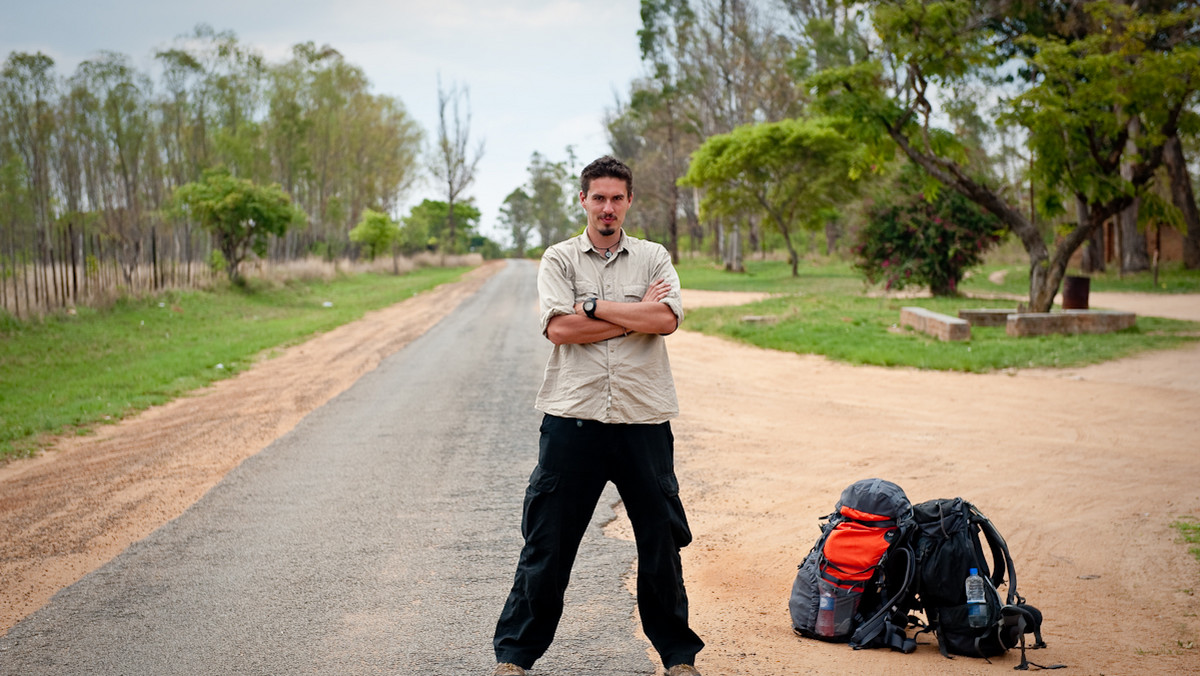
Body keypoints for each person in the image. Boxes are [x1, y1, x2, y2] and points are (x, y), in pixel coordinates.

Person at [492, 156, 704, 676]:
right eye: (598, 198)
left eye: (617, 198)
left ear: (629, 201)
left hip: (643, 421)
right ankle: (515, 659)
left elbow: (667, 319)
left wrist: (591, 308)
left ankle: (678, 658)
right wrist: (630, 316)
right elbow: (559, 330)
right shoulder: (559, 258)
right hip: (573, 420)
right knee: (547, 545)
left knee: (660, 545)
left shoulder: (654, 257)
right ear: (582, 200)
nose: (607, 208)